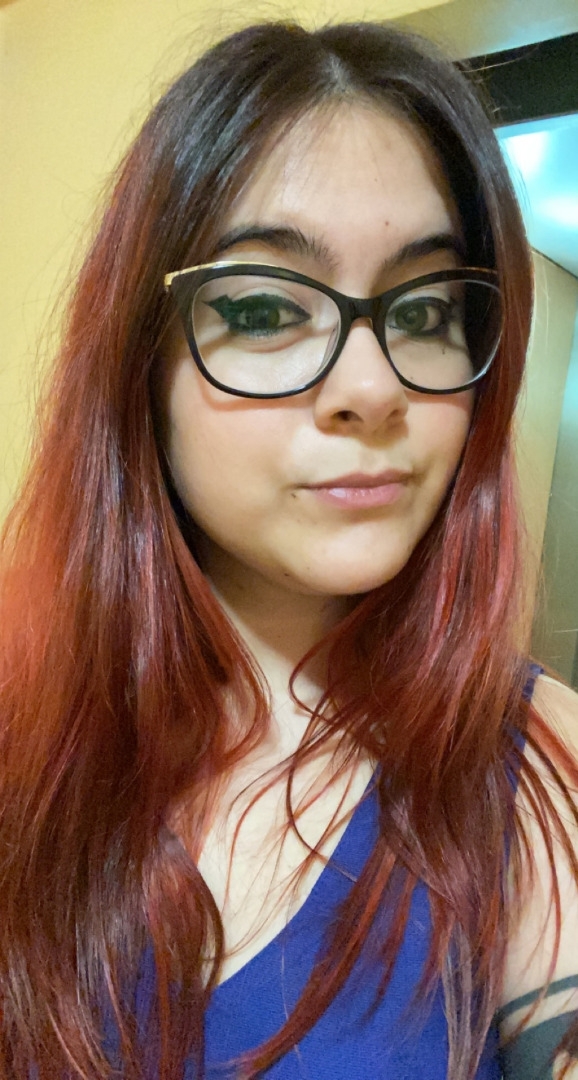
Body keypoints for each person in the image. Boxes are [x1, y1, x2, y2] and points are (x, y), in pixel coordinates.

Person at [0, 18, 577, 1080]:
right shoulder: (23, 732)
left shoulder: (540, 763)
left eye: (428, 311)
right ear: (139, 361)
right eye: (266, 308)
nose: (372, 388)